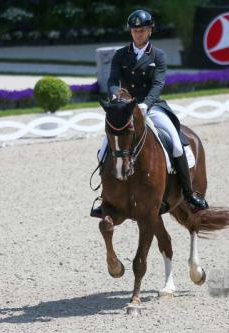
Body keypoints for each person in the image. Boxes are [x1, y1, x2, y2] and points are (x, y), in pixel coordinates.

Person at [90, 9, 208, 218]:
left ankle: (189, 194)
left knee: (176, 143)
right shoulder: (120, 55)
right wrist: (116, 97)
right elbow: (112, 81)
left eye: (142, 30)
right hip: (126, 109)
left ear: (150, 31)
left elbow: (157, 83)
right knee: (103, 149)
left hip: (152, 107)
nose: (138, 34)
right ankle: (105, 197)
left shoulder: (158, 56)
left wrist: (145, 105)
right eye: (135, 31)